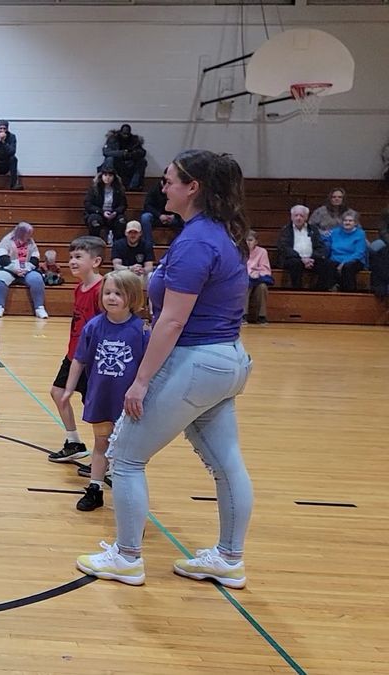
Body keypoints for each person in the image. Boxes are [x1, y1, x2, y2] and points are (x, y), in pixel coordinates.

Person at [76, 150, 253, 590]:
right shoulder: (220, 235)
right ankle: (229, 558)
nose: (164, 186)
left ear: (193, 188)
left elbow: (172, 321)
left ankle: (127, 557)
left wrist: (140, 381)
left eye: (171, 179)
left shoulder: (196, 242)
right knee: (227, 464)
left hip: (197, 361)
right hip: (227, 360)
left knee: (127, 457)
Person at [62, 270, 148, 512]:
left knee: (125, 449)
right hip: (100, 398)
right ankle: (95, 488)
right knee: (101, 442)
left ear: (131, 297)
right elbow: (79, 359)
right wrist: (69, 388)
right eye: (107, 292)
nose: (111, 297)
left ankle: (125, 492)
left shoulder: (140, 331)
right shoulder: (94, 327)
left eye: (118, 293)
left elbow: (150, 367)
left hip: (128, 403)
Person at [46, 236, 106, 463]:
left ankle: (106, 459)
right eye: (70, 257)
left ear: (96, 261)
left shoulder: (102, 290)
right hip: (74, 355)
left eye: (78, 257)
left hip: (92, 360)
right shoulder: (79, 288)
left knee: (96, 411)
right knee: (58, 393)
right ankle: (74, 442)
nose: (72, 261)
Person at [0, 222, 48, 319]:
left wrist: (27, 268)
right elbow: (2, 258)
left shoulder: (31, 241)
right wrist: (14, 269)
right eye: (28, 233)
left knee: (37, 279)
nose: (30, 236)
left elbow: (35, 257)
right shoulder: (6, 241)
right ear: (21, 233)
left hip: (26, 269)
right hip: (9, 269)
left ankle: (39, 308)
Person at [277, 205, 335, 291]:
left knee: (328, 265)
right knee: (295, 263)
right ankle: (297, 290)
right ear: (291, 217)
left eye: (301, 216)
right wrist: (301, 259)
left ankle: (320, 291)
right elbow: (284, 247)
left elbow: (320, 246)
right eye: (296, 215)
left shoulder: (313, 229)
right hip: (293, 259)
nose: (298, 218)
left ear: (306, 217)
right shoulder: (286, 230)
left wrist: (311, 258)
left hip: (311, 259)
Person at [83, 162, 128, 244]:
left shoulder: (119, 189)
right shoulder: (94, 188)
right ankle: (95, 243)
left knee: (122, 221)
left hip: (114, 214)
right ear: (101, 176)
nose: (107, 178)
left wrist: (115, 212)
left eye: (110, 175)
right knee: (94, 220)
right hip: (98, 213)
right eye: (105, 175)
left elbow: (123, 205)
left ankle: (118, 243)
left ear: (114, 177)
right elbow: (88, 204)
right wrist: (101, 212)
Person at [330, 210, 368, 293]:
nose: (347, 223)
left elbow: (359, 253)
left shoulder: (360, 234)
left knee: (347, 268)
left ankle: (349, 294)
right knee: (328, 265)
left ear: (355, 223)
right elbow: (328, 247)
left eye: (350, 221)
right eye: (345, 220)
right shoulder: (335, 232)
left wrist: (343, 263)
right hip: (336, 259)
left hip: (354, 260)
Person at [102, 124, 147, 191]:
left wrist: (131, 154)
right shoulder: (113, 139)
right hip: (117, 163)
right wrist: (122, 153)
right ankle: (110, 184)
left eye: (127, 134)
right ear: (120, 132)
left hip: (130, 163)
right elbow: (106, 152)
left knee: (142, 161)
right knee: (109, 159)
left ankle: (133, 186)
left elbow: (142, 152)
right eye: (124, 133)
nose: (125, 135)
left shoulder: (134, 140)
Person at [140, 178, 184, 245]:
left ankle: (179, 243)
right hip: (157, 217)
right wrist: (159, 215)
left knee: (185, 220)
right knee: (145, 217)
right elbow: (147, 205)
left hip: (172, 218)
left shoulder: (177, 191)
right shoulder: (154, 189)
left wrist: (175, 215)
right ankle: (149, 244)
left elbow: (182, 206)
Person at [243, 231, 274, 324]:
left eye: (250, 240)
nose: (247, 243)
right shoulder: (239, 251)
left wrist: (258, 274)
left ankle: (261, 316)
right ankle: (243, 315)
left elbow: (266, 270)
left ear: (256, 242)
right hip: (244, 278)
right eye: (245, 240)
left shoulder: (262, 252)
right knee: (245, 284)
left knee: (262, 287)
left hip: (257, 278)